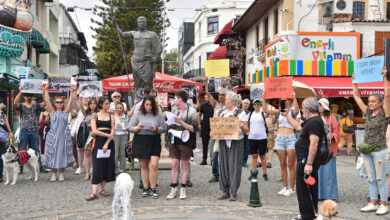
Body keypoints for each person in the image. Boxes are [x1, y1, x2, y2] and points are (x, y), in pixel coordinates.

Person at [353, 68, 390, 215]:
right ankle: (373, 202)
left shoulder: (385, 113)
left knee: (381, 178)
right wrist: (354, 81)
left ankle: (383, 204)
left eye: (373, 101)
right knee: (371, 178)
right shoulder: (368, 113)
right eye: (369, 101)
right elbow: (356, 97)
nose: (370, 104)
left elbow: (387, 94)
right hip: (367, 150)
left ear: (380, 103)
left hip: (380, 150)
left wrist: (385, 77)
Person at [283, 97, 324, 220]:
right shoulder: (311, 121)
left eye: (302, 109)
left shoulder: (315, 122)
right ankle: (306, 214)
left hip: (307, 161)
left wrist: (309, 164)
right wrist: (287, 117)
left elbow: (314, 143)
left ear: (307, 109)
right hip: (304, 160)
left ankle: (309, 215)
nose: (302, 111)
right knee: (303, 188)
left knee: (306, 188)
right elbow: (298, 127)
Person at [262, 93, 300, 196]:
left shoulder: (292, 111)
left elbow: (296, 110)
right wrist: (264, 99)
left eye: (285, 100)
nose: (283, 102)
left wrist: (294, 97)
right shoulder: (279, 112)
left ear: (289, 101)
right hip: (280, 138)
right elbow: (266, 110)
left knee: (291, 165)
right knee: (282, 165)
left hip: (290, 138)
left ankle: (291, 188)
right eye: (281, 101)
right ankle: (285, 186)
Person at [129, 96, 166, 198]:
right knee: (144, 165)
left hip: (154, 140)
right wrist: (138, 127)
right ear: (143, 105)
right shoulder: (138, 114)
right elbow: (130, 128)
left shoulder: (158, 115)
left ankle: (153, 188)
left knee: (153, 165)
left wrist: (156, 129)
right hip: (141, 140)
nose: (149, 107)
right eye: (147, 105)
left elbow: (164, 128)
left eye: (150, 105)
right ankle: (146, 188)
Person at [114, 16, 162, 90]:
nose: (141, 23)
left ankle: (147, 97)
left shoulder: (152, 34)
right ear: (137, 23)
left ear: (145, 23)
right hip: (135, 60)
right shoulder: (134, 33)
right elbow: (122, 34)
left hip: (147, 60)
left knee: (148, 80)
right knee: (137, 81)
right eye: (140, 22)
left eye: (143, 22)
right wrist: (115, 24)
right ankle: (138, 96)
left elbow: (159, 46)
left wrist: (156, 57)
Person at [216, 91, 248, 201]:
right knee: (223, 166)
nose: (225, 101)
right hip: (223, 141)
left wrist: (241, 126)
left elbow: (247, 131)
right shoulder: (222, 113)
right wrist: (213, 132)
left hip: (236, 141)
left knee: (234, 166)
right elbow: (217, 127)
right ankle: (225, 190)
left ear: (233, 102)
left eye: (227, 100)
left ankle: (233, 192)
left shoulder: (240, 113)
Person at [166, 90, 197, 200]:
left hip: (186, 139)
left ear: (180, 99)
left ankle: (183, 188)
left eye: (175, 98)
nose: (173, 100)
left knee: (184, 164)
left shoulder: (192, 111)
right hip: (174, 139)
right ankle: (174, 188)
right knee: (174, 164)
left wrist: (181, 122)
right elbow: (170, 124)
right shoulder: (174, 109)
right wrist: (170, 122)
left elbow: (194, 128)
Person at [42, 86, 75, 181]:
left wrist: (72, 91)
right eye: (57, 102)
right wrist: (46, 90)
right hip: (53, 136)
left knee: (63, 154)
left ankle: (61, 173)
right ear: (55, 104)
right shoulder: (52, 112)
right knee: (53, 154)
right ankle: (53, 174)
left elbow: (71, 100)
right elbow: (47, 101)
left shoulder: (65, 112)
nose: (59, 104)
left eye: (61, 102)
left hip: (64, 136)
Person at [86, 96, 116, 201]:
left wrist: (107, 142)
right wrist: (106, 136)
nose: (108, 105)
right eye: (106, 103)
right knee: (97, 165)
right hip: (98, 141)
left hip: (109, 143)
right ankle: (94, 192)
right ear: (101, 104)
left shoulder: (111, 115)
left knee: (106, 165)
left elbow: (113, 131)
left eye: (109, 103)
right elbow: (94, 130)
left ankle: (102, 189)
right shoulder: (95, 115)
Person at [203, 76, 231, 183]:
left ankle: (225, 174)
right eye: (219, 95)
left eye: (222, 95)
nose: (220, 96)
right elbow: (209, 95)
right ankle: (215, 174)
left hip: (226, 134)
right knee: (214, 156)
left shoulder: (229, 106)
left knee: (225, 156)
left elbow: (232, 93)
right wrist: (205, 83)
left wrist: (229, 82)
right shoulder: (216, 105)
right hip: (214, 134)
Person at [14, 86, 46, 173]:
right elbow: (15, 102)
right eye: (27, 95)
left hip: (34, 131)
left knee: (36, 149)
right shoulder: (21, 106)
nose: (29, 97)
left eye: (30, 95)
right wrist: (20, 91)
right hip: (24, 131)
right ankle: (20, 168)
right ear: (24, 97)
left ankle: (39, 166)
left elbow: (45, 103)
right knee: (22, 150)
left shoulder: (36, 105)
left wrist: (44, 92)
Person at [318, 98, 340, 201]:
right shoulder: (315, 117)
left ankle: (331, 195)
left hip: (329, 147)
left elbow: (337, 131)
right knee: (318, 171)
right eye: (318, 106)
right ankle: (319, 194)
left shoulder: (332, 118)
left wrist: (332, 135)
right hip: (318, 147)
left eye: (321, 105)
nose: (319, 107)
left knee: (329, 172)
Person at [75, 97, 98, 180]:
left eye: (94, 103)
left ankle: (94, 171)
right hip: (87, 133)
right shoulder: (86, 113)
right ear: (89, 105)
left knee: (95, 153)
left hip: (95, 133)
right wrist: (80, 97)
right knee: (86, 152)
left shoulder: (98, 113)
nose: (92, 105)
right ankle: (87, 173)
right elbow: (81, 106)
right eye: (91, 103)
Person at [248, 99, 268, 181]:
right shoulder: (250, 114)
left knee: (262, 156)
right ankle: (253, 173)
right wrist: (247, 132)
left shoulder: (263, 113)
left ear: (260, 105)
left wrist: (264, 99)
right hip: (252, 137)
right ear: (252, 105)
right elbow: (246, 124)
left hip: (262, 137)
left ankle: (264, 173)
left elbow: (266, 109)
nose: (256, 105)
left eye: (258, 103)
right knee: (254, 156)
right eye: (255, 103)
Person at [71, 96, 90, 175]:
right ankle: (80, 167)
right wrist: (75, 92)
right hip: (80, 131)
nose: (86, 99)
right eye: (84, 98)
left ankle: (90, 167)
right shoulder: (79, 108)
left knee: (89, 149)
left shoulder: (92, 108)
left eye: (87, 98)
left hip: (89, 130)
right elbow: (75, 100)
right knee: (79, 149)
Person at [198, 91, 214, 166]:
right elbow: (199, 114)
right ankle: (204, 159)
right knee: (204, 143)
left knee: (212, 144)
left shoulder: (214, 105)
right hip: (204, 126)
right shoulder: (203, 105)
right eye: (205, 97)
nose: (205, 99)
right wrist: (199, 123)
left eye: (207, 97)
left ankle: (212, 159)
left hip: (213, 127)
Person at [114, 103, 129, 174]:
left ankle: (123, 168)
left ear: (123, 109)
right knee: (115, 152)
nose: (119, 109)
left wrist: (125, 126)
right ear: (115, 109)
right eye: (118, 108)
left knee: (122, 152)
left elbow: (127, 126)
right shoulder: (113, 116)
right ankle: (115, 168)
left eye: (120, 108)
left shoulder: (126, 116)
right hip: (115, 134)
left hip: (124, 135)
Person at [0, 100, 13, 182]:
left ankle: (0, 175)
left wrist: (10, 131)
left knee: (0, 155)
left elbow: (6, 120)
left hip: (1, 134)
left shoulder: (2, 108)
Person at [241, 99, 251, 167]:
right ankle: (239, 161)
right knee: (240, 148)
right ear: (242, 103)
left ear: (249, 105)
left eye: (247, 103)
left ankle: (244, 161)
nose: (245, 104)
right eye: (244, 103)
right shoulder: (238, 112)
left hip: (247, 132)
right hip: (240, 133)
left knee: (246, 148)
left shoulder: (250, 113)